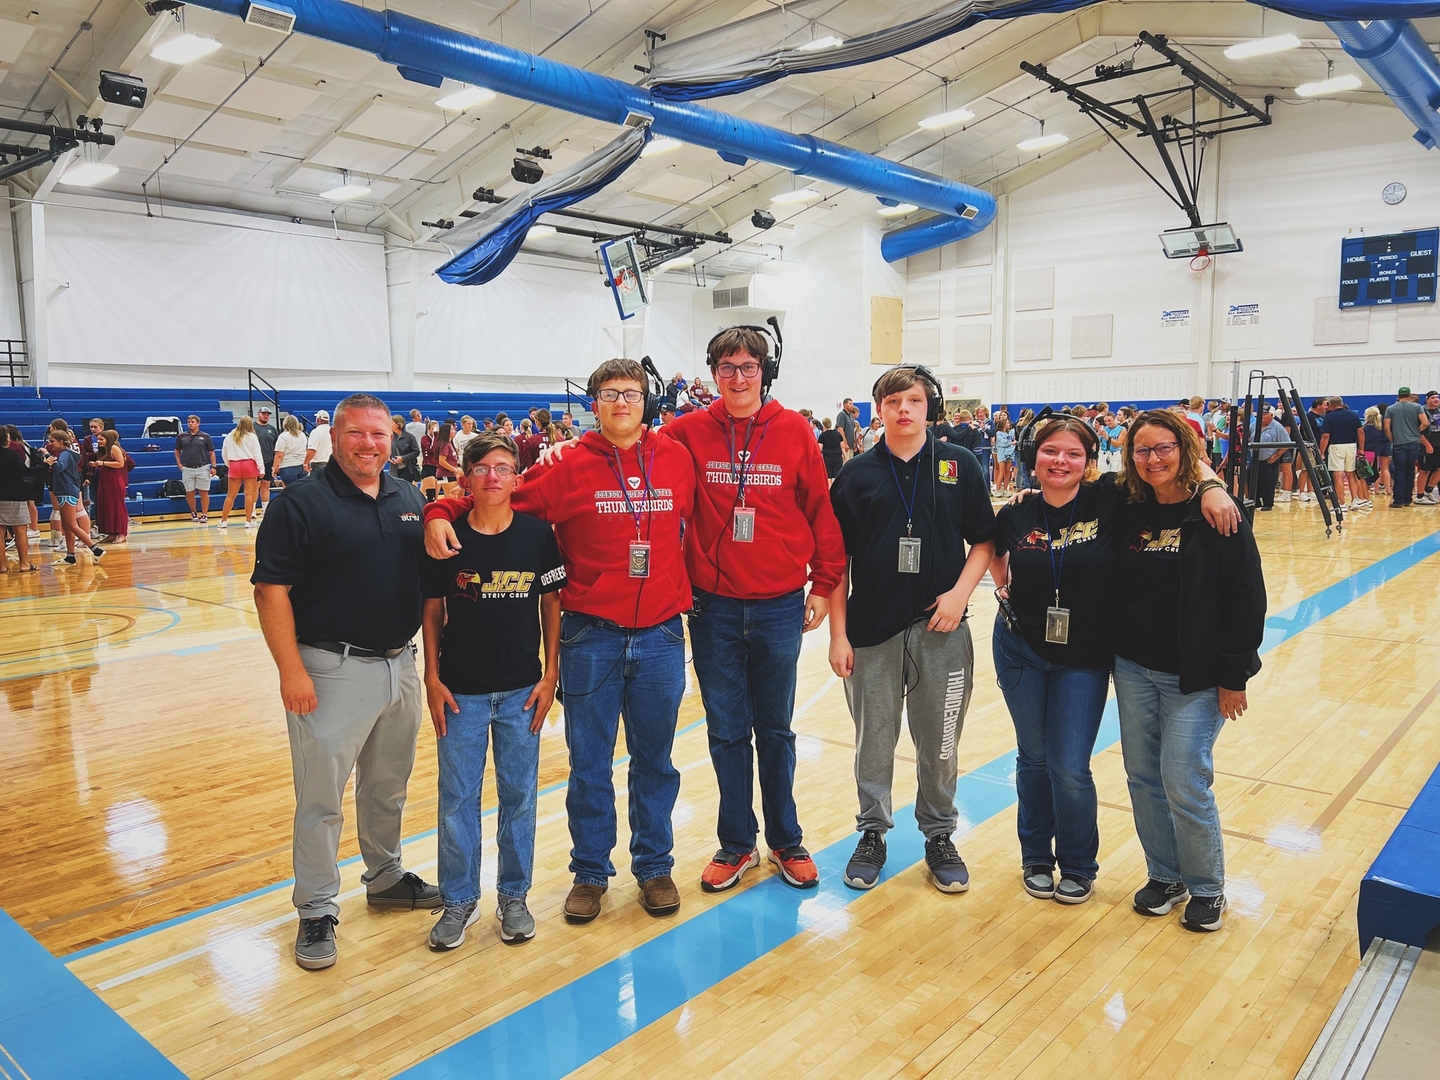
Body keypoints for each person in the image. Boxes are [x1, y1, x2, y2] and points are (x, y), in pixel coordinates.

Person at [424, 360, 696, 924]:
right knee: (589, 763)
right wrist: (440, 508)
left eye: (632, 392)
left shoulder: (676, 457)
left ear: (646, 400)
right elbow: (496, 497)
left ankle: (654, 866)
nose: (622, 401)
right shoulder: (569, 465)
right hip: (590, 635)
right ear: (592, 404)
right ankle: (591, 872)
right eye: (608, 393)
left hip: (664, 634)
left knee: (656, 762)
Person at [989, 417, 1239, 905]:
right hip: (1020, 650)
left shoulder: (1111, 499)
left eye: (1072, 453)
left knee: (1069, 765)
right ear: (1033, 457)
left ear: (1089, 461)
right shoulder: (1017, 509)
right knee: (1033, 759)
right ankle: (1035, 856)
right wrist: (1003, 586)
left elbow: (1171, 462)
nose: (1060, 461)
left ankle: (1079, 864)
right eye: (1049, 452)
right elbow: (992, 550)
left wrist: (1211, 486)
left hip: (1084, 656)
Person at [252, 393, 440, 972]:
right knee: (321, 800)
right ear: (333, 438)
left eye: (379, 435)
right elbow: (270, 591)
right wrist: (291, 670)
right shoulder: (300, 504)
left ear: (393, 439)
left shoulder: (407, 496)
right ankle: (315, 908)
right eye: (357, 434)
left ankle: (384, 878)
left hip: (398, 667)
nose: (369, 444)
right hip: (328, 670)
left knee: (387, 786)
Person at [657, 326, 844, 892]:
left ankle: (786, 840)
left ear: (766, 372)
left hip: (779, 606)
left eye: (749, 367)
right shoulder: (687, 431)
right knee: (726, 731)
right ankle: (737, 844)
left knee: (777, 730)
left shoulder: (794, 432)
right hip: (712, 608)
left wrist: (823, 584)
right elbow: (627, 458)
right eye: (728, 367)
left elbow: (819, 511)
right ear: (713, 373)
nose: (739, 377)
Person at [828, 366, 995, 894]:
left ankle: (940, 834)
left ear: (930, 407)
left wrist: (960, 594)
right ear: (878, 409)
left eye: (915, 400)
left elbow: (985, 542)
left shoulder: (959, 464)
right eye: (894, 400)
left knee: (940, 742)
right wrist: (838, 634)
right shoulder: (856, 475)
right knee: (873, 741)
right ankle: (872, 831)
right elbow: (836, 562)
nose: (904, 409)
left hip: (940, 630)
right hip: (871, 634)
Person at [1114, 410, 1265, 932]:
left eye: (1164, 449)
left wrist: (1234, 675)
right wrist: (1022, 500)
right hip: (1134, 668)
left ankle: (1207, 887)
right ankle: (1165, 875)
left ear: (1185, 449)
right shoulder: (1127, 505)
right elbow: (1071, 494)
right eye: (1142, 451)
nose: (1153, 459)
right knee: (1142, 776)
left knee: (1183, 777)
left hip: (1197, 676)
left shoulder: (1217, 513)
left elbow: (1247, 597)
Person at [422, 432, 564, 949]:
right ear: (467, 478)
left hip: (522, 691)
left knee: (519, 795)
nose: (493, 477)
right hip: (460, 693)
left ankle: (513, 895)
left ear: (516, 477)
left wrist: (551, 676)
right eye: (483, 468)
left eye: (504, 468)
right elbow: (434, 608)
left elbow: (552, 605)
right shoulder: (447, 536)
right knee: (457, 798)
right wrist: (432, 677)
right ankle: (458, 898)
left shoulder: (537, 535)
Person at [42, 429, 102, 565]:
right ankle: (70, 556)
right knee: (66, 525)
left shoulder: (65, 454)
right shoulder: (68, 454)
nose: (50, 444)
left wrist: (47, 456)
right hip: (66, 490)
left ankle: (95, 549)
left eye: (52, 441)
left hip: (66, 491)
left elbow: (58, 468)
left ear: (61, 442)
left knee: (71, 525)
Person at [1318, 396, 1368, 510]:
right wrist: (1361, 448)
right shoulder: (1353, 415)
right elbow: (1361, 432)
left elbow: (1325, 436)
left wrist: (1321, 452)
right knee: (1351, 474)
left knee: (1338, 475)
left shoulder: (1329, 417)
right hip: (1351, 446)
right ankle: (1354, 500)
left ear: (1331, 405)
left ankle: (1341, 504)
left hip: (1336, 447)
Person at [219, 415, 264, 529]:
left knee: (230, 495)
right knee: (248, 494)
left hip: (234, 464)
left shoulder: (230, 436)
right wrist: (261, 469)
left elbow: (224, 453)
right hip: (249, 464)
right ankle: (248, 521)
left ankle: (223, 521)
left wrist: (230, 465)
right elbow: (257, 454)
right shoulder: (252, 436)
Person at [0, 428, 36, 572]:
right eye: (8, 437)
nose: (9, 440)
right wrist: (45, 465)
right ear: (4, 439)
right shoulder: (12, 454)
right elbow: (24, 472)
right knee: (21, 530)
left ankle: (2, 566)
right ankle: (24, 564)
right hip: (15, 495)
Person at [1385, 387, 1427, 508]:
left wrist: (1392, 438)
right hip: (1414, 443)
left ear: (1398, 396)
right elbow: (1425, 423)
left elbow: (1387, 427)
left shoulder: (1391, 409)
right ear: (1409, 395)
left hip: (1398, 443)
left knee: (1399, 471)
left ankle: (1398, 500)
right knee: (1410, 471)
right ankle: (1407, 499)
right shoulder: (1417, 407)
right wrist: (1416, 433)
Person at [175, 414, 217, 523]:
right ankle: (193, 512)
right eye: (189, 422)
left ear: (198, 423)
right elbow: (177, 450)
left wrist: (214, 466)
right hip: (187, 468)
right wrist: (179, 464)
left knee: (204, 492)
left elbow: (211, 452)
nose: (190, 423)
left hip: (202, 467)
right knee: (190, 492)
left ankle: (204, 514)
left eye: (193, 421)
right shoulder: (181, 436)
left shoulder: (206, 437)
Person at [94, 429, 129, 542]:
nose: (98, 441)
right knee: (106, 507)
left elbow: (120, 463)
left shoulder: (114, 448)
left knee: (117, 507)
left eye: (101, 439)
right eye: (98, 439)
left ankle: (122, 533)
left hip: (114, 482)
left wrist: (102, 463)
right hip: (104, 481)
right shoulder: (104, 450)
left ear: (107, 439)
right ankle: (111, 533)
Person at [1255, 404, 1288, 510]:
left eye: (1264, 414)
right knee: (1255, 482)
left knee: (1268, 483)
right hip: (1256, 459)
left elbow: (1287, 443)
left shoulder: (1278, 427)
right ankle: (1256, 502)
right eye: (1261, 414)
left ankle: (1268, 504)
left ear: (1271, 415)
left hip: (1269, 460)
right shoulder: (1254, 425)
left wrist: (1277, 455)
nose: (1262, 416)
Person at [253, 407, 279, 512]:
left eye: (268, 414)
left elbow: (277, 447)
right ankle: (252, 510)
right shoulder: (252, 427)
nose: (266, 416)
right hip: (255, 462)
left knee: (266, 485)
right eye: (263, 413)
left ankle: (265, 509)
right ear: (258, 414)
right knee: (255, 486)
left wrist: (276, 464)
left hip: (269, 461)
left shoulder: (272, 429)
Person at [1362, 405, 1391, 497]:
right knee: (1385, 468)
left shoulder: (1370, 426)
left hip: (1375, 447)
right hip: (1386, 443)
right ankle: (1388, 489)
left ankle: (1376, 488)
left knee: (1374, 468)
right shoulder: (1387, 420)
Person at [272, 416, 308, 487]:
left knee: (289, 491)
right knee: (301, 490)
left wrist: (274, 469)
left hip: (288, 466)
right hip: (301, 465)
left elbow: (279, 455)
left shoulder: (283, 436)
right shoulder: (302, 435)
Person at [1420, 390, 1440, 504]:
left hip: (1438, 444)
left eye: (1437, 397)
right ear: (1427, 399)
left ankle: (1428, 490)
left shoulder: (1439, 411)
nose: (1436, 399)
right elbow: (1419, 431)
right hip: (1426, 444)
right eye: (1433, 397)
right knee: (1425, 470)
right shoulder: (1422, 411)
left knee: (1438, 469)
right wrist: (1427, 444)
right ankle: (1420, 495)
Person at [389, 415, 421, 483]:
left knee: (405, 490)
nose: (389, 424)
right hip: (394, 470)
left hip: (408, 469)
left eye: (392, 422)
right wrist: (388, 459)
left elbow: (416, 451)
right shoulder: (389, 436)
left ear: (398, 424)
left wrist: (403, 458)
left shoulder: (409, 437)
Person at [303, 410, 332, 477]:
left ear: (318, 420)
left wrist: (305, 463)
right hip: (331, 464)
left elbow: (312, 450)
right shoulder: (333, 431)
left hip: (318, 465)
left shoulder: (316, 432)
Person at [818, 417, 845, 481]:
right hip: (838, 457)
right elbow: (842, 447)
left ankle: (829, 490)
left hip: (827, 458)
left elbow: (819, 448)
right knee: (837, 477)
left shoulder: (822, 435)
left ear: (824, 425)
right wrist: (845, 458)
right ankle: (837, 490)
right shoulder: (838, 434)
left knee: (828, 477)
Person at [994, 415, 1015, 492]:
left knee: (1007, 473)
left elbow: (1012, 442)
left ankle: (1006, 489)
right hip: (1002, 454)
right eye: (1007, 423)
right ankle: (998, 489)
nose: (1009, 424)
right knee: (1001, 472)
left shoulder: (1008, 434)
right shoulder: (998, 433)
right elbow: (1004, 443)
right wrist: (1011, 443)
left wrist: (1012, 442)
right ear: (1003, 424)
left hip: (1009, 455)